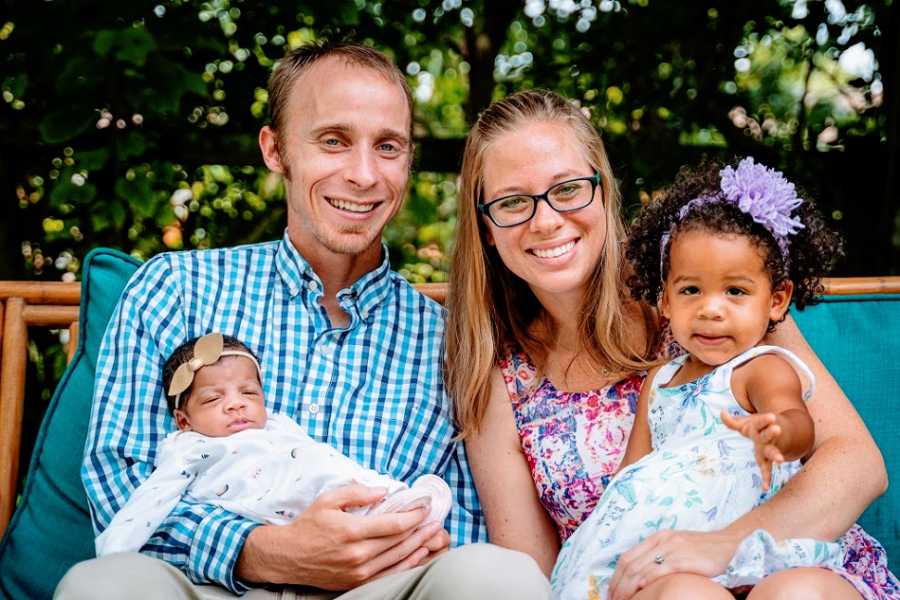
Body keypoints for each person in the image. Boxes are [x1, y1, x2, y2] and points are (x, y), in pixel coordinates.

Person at [56, 42, 550, 599]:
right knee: (102, 586)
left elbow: (465, 518)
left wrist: (376, 549)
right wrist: (262, 549)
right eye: (333, 141)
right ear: (276, 150)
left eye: (388, 146)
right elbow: (120, 482)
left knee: (499, 577)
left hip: (377, 587)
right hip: (212, 585)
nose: (364, 175)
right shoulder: (174, 289)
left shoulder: (450, 340)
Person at [445, 89, 896, 599]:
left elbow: (858, 465)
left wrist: (725, 545)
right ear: (485, 224)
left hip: (787, 560)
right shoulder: (500, 374)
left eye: (567, 189)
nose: (545, 220)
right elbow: (528, 579)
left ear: (602, 189)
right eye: (512, 202)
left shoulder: (705, 293)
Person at [551, 157, 892, 599]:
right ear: (666, 301)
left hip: (764, 547)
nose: (712, 309)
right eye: (691, 290)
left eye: (735, 291)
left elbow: (799, 427)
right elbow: (631, 476)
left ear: (777, 300)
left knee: (795, 592)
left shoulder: (761, 367)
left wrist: (778, 433)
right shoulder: (661, 380)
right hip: (678, 558)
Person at [95, 332, 452, 557]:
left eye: (248, 392)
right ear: (184, 420)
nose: (236, 403)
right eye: (213, 399)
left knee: (326, 465)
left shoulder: (276, 424)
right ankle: (387, 513)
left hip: (316, 487)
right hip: (273, 512)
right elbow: (153, 497)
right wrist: (116, 552)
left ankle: (391, 500)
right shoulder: (189, 448)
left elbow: (319, 456)